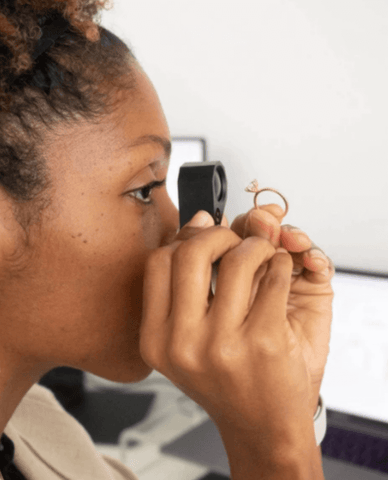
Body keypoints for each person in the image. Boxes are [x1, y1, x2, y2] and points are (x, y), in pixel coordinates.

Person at [0, 1, 335, 479]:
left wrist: (289, 404)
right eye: (144, 190)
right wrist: (275, 449)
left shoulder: (34, 421)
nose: (180, 233)